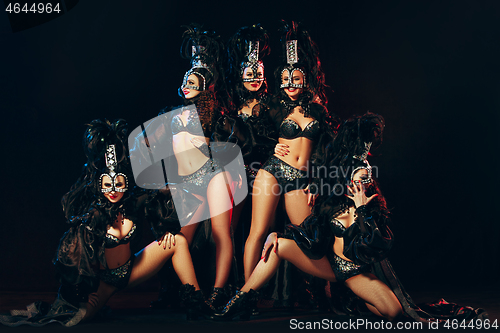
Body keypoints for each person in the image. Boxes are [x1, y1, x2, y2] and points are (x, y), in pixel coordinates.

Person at [215, 113, 487, 323]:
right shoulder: (330, 201)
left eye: (365, 177)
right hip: (327, 265)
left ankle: (355, 301)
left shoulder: (373, 205)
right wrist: (281, 235)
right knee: (277, 246)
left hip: (353, 273)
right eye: (357, 176)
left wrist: (362, 211)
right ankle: (238, 302)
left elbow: (377, 248)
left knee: (393, 313)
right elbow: (312, 233)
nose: (361, 181)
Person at [0, 119, 212, 327]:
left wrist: (167, 229)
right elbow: (72, 257)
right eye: (108, 185)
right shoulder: (94, 215)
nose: (113, 190)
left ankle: (197, 303)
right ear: (100, 185)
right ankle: (83, 305)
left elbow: (164, 194)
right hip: (106, 283)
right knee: (79, 319)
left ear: (125, 184)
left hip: (132, 269)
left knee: (178, 241)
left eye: (118, 184)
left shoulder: (132, 203)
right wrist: (83, 294)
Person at [242, 21, 338, 308]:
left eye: (296, 78)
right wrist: (269, 144)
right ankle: (248, 294)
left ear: (306, 79)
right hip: (272, 170)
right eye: (286, 79)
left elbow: (328, 148)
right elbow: (250, 131)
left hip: (301, 177)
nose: (291, 84)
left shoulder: (319, 109)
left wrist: (318, 180)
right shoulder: (272, 105)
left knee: (311, 236)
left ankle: (322, 293)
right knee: (256, 231)